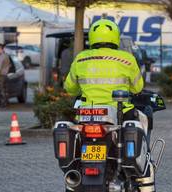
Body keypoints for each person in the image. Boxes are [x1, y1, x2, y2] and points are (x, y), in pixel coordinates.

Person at [64, 19, 154, 191]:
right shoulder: (127, 59)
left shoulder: (81, 58)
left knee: (75, 147)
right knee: (140, 130)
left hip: (87, 115)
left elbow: (69, 88)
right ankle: (146, 182)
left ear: (92, 37)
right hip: (119, 114)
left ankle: (74, 177)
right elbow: (138, 87)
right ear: (115, 37)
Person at [0, 44, 11, 108]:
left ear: (1, 49)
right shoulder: (6, 56)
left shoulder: (1, 57)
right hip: (4, 75)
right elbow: (9, 65)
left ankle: (2, 105)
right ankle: (5, 104)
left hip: (0, 75)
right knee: (4, 90)